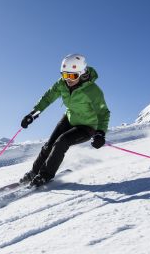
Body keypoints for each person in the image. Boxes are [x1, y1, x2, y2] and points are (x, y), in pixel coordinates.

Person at [20, 53, 110, 187]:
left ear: (82, 73)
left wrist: (100, 133)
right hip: (69, 118)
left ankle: (45, 175)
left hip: (87, 126)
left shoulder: (93, 90)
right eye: (65, 74)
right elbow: (48, 98)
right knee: (49, 145)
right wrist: (33, 113)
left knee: (61, 142)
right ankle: (34, 172)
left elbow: (103, 113)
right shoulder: (62, 84)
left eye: (72, 76)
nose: (68, 79)